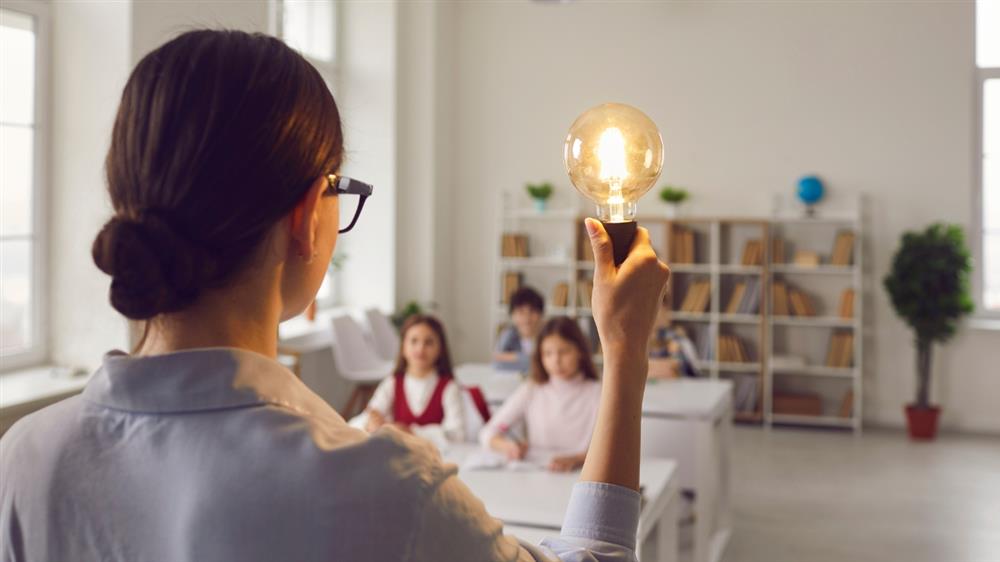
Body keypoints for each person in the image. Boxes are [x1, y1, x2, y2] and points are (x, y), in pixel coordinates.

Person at [0, 30, 670, 561]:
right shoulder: (385, 489)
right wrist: (625, 350)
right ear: (302, 218)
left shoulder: (24, 460)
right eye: (337, 191)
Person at [480, 317, 601, 472]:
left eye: (564, 351)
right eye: (548, 354)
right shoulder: (532, 389)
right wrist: (509, 447)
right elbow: (488, 432)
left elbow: (615, 448)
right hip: (538, 474)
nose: (556, 361)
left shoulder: (598, 393)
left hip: (583, 475)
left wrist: (577, 459)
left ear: (580, 352)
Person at [350, 314, 466, 445]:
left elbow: (457, 434)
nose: (420, 348)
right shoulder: (393, 382)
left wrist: (410, 432)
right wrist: (372, 421)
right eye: (414, 341)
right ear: (403, 346)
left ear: (440, 349)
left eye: (429, 342)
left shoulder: (449, 386)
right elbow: (372, 412)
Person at [493, 286, 545, 373]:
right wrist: (532, 359)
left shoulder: (548, 336)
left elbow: (547, 366)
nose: (527, 317)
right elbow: (497, 363)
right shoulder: (508, 334)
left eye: (532, 311)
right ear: (512, 315)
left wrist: (513, 357)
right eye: (521, 311)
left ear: (540, 314)